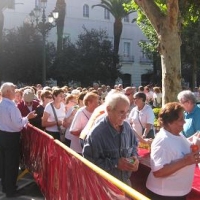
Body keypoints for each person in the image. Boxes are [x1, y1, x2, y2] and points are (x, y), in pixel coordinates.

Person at [146, 102, 200, 200]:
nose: (184, 122)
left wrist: (194, 142)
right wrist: (186, 161)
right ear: (170, 122)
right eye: (181, 119)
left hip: (176, 193)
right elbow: (158, 172)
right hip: (164, 195)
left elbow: (178, 148)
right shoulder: (163, 140)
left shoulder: (177, 134)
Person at [83, 93, 139, 185]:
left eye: (127, 112)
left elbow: (134, 145)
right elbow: (88, 164)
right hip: (104, 187)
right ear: (109, 109)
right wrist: (115, 163)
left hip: (125, 183)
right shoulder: (97, 134)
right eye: (121, 112)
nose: (125, 117)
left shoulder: (127, 127)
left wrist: (135, 158)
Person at [0, 82, 37, 197]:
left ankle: (6, 187)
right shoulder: (11, 106)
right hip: (11, 137)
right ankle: (11, 191)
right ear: (7, 92)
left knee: (4, 163)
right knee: (11, 164)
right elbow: (18, 124)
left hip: (2, 135)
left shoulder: (2, 104)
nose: (15, 92)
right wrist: (27, 118)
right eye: (13, 90)